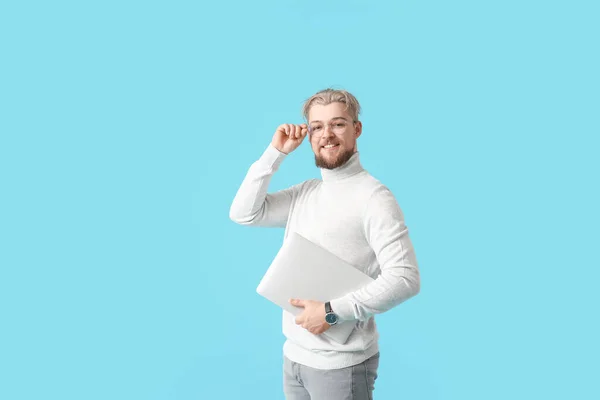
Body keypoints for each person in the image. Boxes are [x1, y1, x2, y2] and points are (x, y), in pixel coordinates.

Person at [229, 88, 420, 399]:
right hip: (295, 359)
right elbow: (243, 214)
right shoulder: (306, 192)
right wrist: (274, 153)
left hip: (341, 368)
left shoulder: (374, 198)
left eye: (338, 124)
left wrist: (331, 312)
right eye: (317, 126)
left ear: (357, 129)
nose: (326, 135)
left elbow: (405, 278)